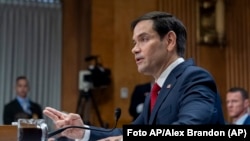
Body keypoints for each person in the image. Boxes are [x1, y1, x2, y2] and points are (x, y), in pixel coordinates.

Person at [43, 11, 225, 141]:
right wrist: (82, 131)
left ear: (170, 41)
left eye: (144, 39)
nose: (134, 49)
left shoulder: (194, 78)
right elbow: (127, 134)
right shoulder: (158, 91)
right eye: (134, 42)